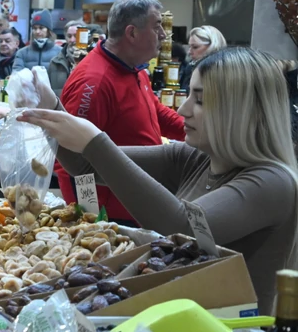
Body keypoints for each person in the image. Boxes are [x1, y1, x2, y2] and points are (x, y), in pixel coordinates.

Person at [22, 47, 298, 313]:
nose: (184, 109)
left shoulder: (273, 181)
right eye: (189, 94)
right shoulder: (195, 157)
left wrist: (96, 141)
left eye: (200, 100)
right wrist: (52, 111)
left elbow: (181, 227)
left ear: (241, 112)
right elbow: (84, 166)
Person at [57, 0, 185, 224]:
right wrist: (89, 219)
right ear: (132, 33)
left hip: (139, 201)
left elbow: (156, 113)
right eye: (157, 27)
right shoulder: (95, 82)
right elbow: (70, 157)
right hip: (114, 215)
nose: (164, 35)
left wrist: (199, 134)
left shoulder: (134, 68)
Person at [48, 21, 98, 96]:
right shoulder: (55, 63)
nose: (72, 40)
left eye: (76, 36)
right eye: (69, 36)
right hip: (60, 107)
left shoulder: (94, 62)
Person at [180, 25, 227, 91]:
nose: (189, 52)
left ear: (212, 47)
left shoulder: (225, 73)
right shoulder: (189, 68)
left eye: (195, 47)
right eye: (189, 47)